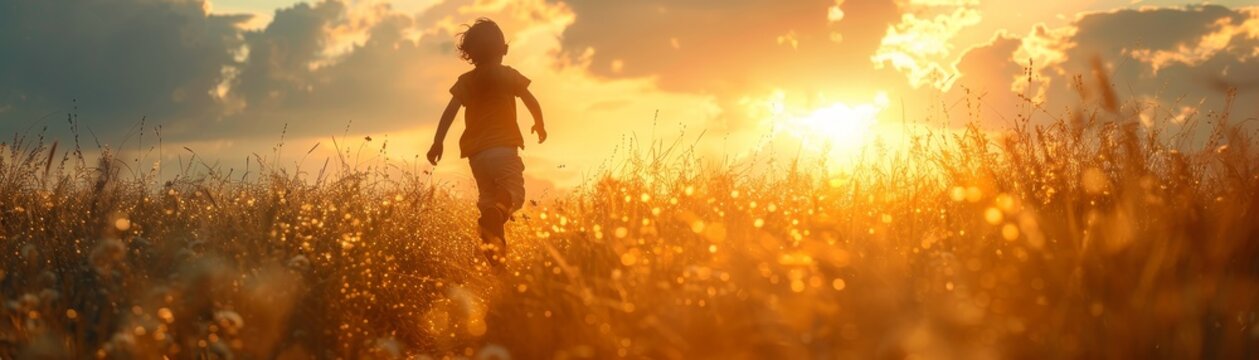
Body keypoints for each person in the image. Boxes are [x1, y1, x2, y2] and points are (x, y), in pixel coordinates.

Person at [427, 18, 546, 268]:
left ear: (470, 54)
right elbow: (530, 99)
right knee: (514, 193)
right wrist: (539, 123)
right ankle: (496, 217)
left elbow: (449, 112)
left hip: (477, 155)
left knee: (488, 200)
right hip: (504, 148)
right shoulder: (508, 74)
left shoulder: (467, 82)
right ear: (504, 49)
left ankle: (496, 254)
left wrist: (438, 142)